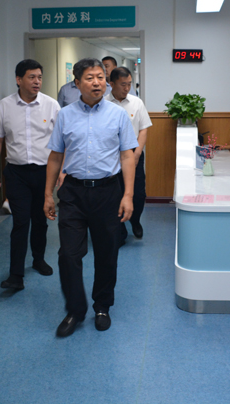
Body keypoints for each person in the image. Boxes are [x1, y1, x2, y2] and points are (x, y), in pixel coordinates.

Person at [44, 58, 139, 337]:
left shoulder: (118, 114)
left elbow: (127, 156)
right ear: (77, 83)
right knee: (68, 255)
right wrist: (48, 194)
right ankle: (75, 309)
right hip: (73, 192)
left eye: (100, 77)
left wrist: (128, 195)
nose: (97, 82)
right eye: (89, 78)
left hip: (108, 192)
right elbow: (55, 156)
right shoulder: (65, 115)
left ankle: (102, 306)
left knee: (107, 253)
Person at [0, 59, 60, 291]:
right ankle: (15, 275)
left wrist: (62, 171)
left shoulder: (51, 105)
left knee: (40, 220)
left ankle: (38, 259)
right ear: (19, 80)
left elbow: (62, 141)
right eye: (32, 77)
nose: (37, 81)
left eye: (39, 77)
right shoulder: (4, 106)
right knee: (20, 222)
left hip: (44, 172)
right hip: (16, 173)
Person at [106, 66, 151, 243]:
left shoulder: (136, 102)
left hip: (134, 153)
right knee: (115, 194)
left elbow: (143, 129)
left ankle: (135, 220)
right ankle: (120, 229)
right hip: (111, 156)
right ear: (111, 84)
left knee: (138, 194)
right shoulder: (104, 104)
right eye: (123, 84)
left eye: (129, 84)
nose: (127, 88)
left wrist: (137, 153)